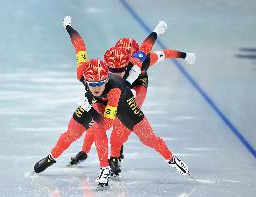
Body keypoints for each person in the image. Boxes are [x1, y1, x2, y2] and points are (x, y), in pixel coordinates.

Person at [34, 16, 191, 187]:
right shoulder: (83, 73)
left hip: (124, 103)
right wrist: (68, 27)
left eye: (99, 84)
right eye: (92, 84)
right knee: (73, 131)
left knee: (144, 138)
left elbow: (107, 123)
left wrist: (164, 37)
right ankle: (64, 159)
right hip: (102, 103)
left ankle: (169, 159)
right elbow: (80, 47)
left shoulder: (130, 71)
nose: (95, 88)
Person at [70, 42, 196, 177]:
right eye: (112, 69)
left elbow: (161, 52)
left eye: (120, 69)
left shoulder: (140, 62)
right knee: (98, 124)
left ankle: (115, 156)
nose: (116, 73)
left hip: (132, 93)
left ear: (128, 63)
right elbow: (81, 51)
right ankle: (91, 153)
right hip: (114, 94)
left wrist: (185, 55)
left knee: (124, 129)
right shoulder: (98, 74)